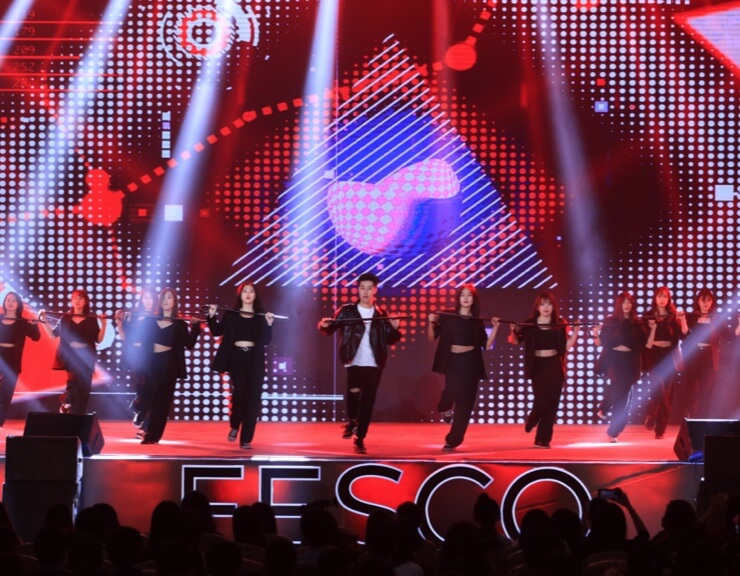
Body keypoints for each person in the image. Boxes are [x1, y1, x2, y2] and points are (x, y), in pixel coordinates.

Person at [318, 272, 402, 454]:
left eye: (369, 288)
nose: (365, 292)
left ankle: (360, 438)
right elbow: (331, 327)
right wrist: (324, 325)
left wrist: (395, 328)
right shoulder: (347, 310)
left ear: (375, 290)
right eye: (362, 288)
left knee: (368, 402)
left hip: (374, 362)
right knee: (353, 392)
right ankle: (352, 421)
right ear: (358, 289)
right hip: (353, 359)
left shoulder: (381, 314)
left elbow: (390, 339)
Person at [427, 284, 499, 450]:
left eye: (469, 295)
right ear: (458, 298)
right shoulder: (447, 315)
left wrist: (495, 328)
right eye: (462, 295)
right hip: (452, 360)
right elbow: (432, 337)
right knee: (451, 391)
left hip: (471, 362)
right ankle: (445, 407)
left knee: (465, 402)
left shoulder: (476, 321)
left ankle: (453, 440)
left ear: (474, 300)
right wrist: (431, 322)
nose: (466, 298)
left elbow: (486, 345)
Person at [507, 291, 579, 448]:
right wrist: (513, 330)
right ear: (537, 307)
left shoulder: (559, 323)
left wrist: (575, 333)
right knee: (541, 400)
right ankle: (533, 418)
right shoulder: (530, 324)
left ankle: (543, 439)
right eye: (543, 304)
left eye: (549, 304)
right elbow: (514, 341)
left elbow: (565, 347)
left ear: (553, 307)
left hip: (555, 365)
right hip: (538, 366)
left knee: (552, 405)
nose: (546, 307)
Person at [207, 281, 274, 450]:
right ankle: (235, 424)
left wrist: (269, 324)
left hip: (255, 360)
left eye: (251, 291)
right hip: (236, 358)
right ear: (240, 295)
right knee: (240, 394)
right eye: (245, 291)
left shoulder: (260, 316)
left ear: (255, 295)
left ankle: (246, 439)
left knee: (253, 399)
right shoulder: (231, 314)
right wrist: (211, 316)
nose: (248, 294)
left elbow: (266, 340)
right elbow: (217, 331)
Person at [138, 288, 201, 445]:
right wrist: (123, 320)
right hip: (151, 361)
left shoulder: (179, 324)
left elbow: (189, 344)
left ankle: (152, 435)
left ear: (174, 302)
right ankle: (141, 415)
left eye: (169, 297)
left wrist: (195, 328)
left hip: (169, 364)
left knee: (162, 402)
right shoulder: (150, 320)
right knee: (148, 394)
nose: (166, 300)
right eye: (163, 297)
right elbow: (137, 337)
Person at [39, 289, 107, 414]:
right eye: (74, 298)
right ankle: (66, 401)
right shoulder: (65, 318)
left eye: (80, 298)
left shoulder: (91, 318)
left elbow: (98, 339)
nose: (77, 301)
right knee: (74, 381)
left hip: (86, 357)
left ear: (85, 301)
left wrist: (104, 325)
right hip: (70, 356)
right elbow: (52, 335)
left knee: (84, 387)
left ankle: (77, 415)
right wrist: (43, 319)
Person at [592, 291, 647, 442]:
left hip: (630, 361)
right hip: (613, 359)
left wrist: (652, 328)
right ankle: (605, 407)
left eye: (629, 302)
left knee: (624, 400)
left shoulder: (637, 322)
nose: (626, 305)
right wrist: (595, 333)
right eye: (623, 302)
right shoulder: (610, 320)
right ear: (618, 305)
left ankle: (613, 432)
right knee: (618, 384)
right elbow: (599, 343)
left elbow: (644, 343)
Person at [681, 288, 740, 419]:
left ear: (712, 302)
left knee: (705, 391)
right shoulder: (691, 317)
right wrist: (683, 321)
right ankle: (690, 418)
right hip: (693, 357)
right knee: (691, 390)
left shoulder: (716, 319)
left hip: (709, 358)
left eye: (708, 300)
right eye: (703, 299)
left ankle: (701, 419)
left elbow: (730, 337)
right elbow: (684, 335)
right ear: (698, 301)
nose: (706, 303)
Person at [642, 286, 687, 439]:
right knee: (659, 390)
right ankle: (651, 414)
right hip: (653, 355)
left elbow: (684, 335)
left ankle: (660, 429)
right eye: (659, 296)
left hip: (670, 357)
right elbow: (644, 340)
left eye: (665, 296)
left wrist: (683, 321)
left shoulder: (673, 316)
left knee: (667, 395)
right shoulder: (647, 316)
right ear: (655, 298)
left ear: (669, 299)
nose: (662, 299)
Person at [114, 286, 157, 431]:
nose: (148, 300)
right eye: (145, 297)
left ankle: (139, 409)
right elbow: (124, 337)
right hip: (136, 356)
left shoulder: (158, 315)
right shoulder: (133, 315)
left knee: (148, 385)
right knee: (141, 384)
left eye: (151, 297)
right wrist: (119, 324)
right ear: (141, 299)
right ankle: (140, 410)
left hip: (151, 355)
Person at [0, 291, 41, 425]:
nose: (10, 303)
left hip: (12, 359)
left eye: (14, 300)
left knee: (5, 394)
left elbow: (36, 337)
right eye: (8, 300)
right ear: (4, 302)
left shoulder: (22, 322)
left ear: (18, 304)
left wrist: (34, 324)